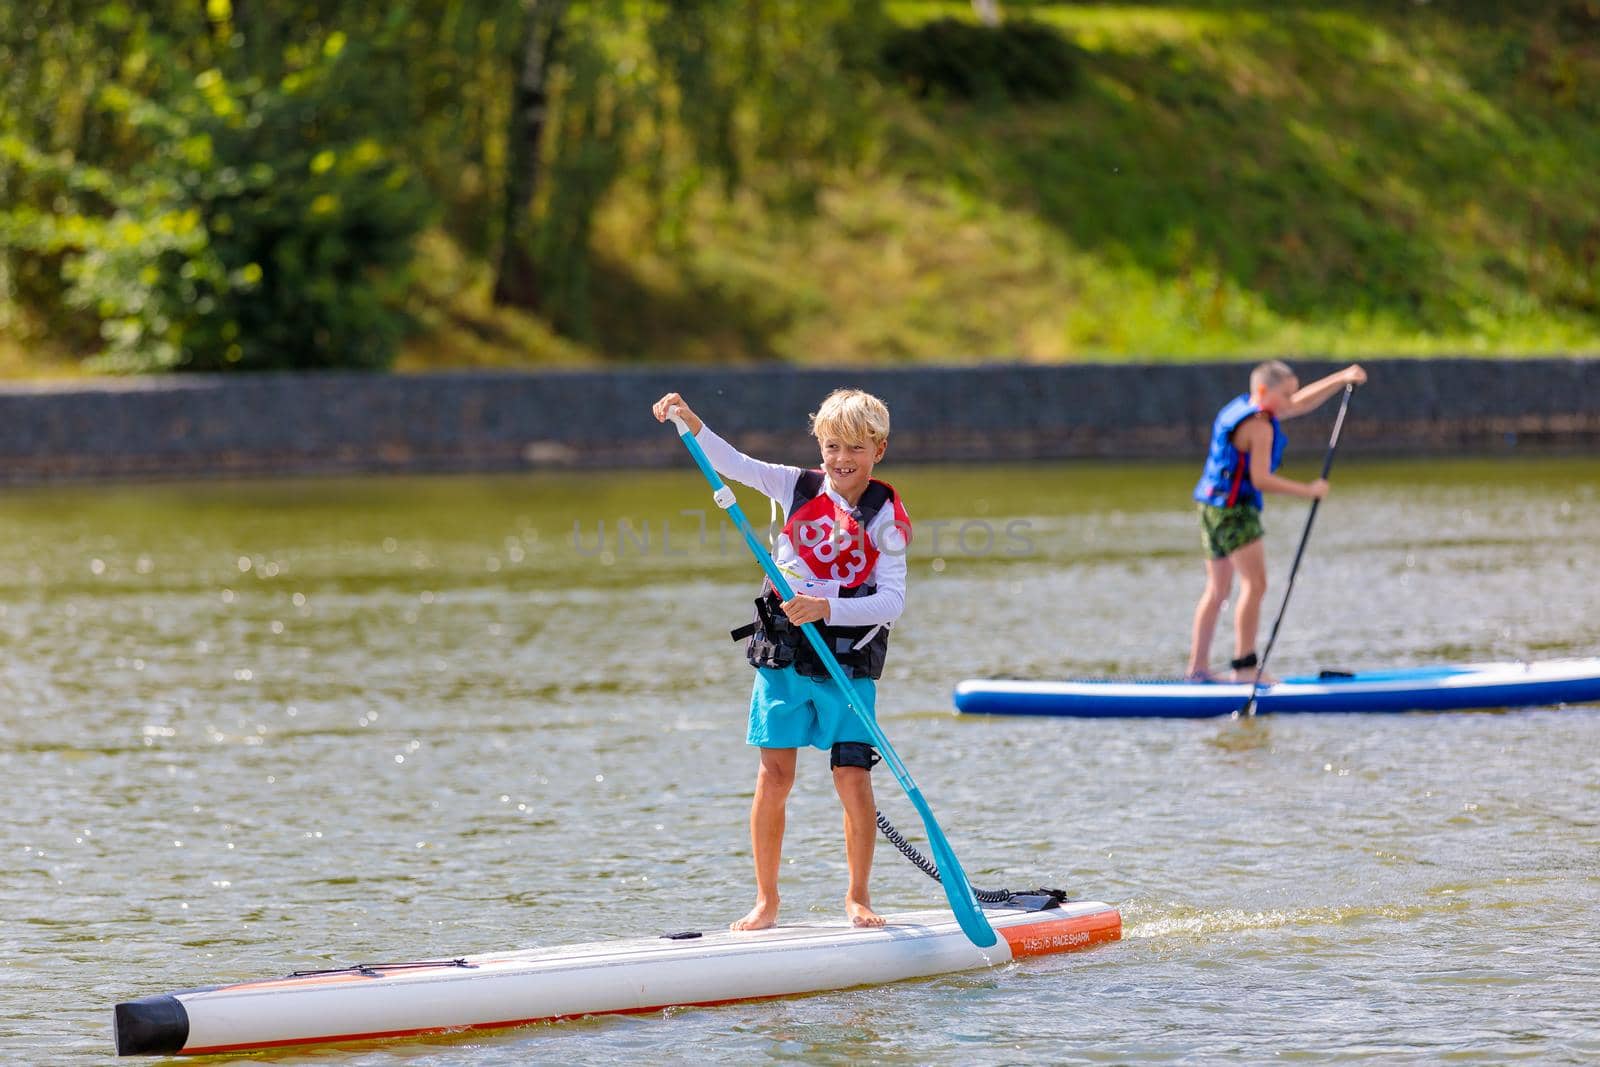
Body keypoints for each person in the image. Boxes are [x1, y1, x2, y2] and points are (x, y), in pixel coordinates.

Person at [651, 388, 910, 931]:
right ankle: (767, 901)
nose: (842, 460)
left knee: (852, 778)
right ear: (820, 447)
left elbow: (892, 601)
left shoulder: (885, 516)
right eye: (833, 447)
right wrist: (690, 420)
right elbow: (732, 463)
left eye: (856, 449)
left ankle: (858, 897)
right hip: (783, 656)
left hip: (847, 662)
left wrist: (827, 608)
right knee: (774, 775)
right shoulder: (796, 485)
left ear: (878, 451)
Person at [1186, 361, 1367, 682]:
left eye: (1292, 392)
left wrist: (1341, 378)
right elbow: (1260, 480)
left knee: (1217, 590)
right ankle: (1244, 668)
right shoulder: (1260, 426)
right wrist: (1309, 490)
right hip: (1236, 512)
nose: (1291, 401)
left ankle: (1197, 669)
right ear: (1263, 391)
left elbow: (1301, 403)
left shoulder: (1245, 407)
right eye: (1285, 394)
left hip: (1210, 507)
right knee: (1255, 585)